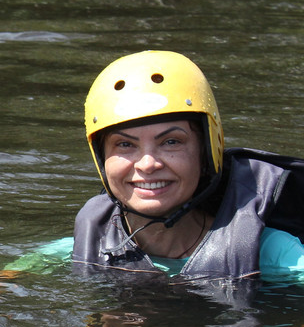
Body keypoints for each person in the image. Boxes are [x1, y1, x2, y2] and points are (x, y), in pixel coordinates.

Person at [73, 49, 304, 282]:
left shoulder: (277, 256)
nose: (148, 164)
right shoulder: (88, 243)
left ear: (207, 152)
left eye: (171, 142)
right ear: (102, 159)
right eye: (124, 144)